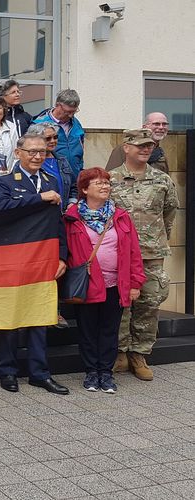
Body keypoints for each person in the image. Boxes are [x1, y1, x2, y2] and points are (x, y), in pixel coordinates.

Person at [0, 133, 69, 395]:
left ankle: (39, 373)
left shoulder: (51, 180)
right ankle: (8, 371)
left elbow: (58, 223)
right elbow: (0, 208)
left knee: (40, 316)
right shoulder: (3, 180)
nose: (37, 156)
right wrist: (39, 198)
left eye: (42, 152)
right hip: (13, 258)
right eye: (32, 151)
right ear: (18, 153)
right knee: (11, 317)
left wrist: (62, 256)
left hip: (43, 259)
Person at [64, 168, 145, 393]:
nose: (105, 186)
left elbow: (134, 253)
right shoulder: (71, 217)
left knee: (110, 330)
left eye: (107, 182)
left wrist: (136, 282)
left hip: (115, 284)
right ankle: (91, 372)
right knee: (88, 330)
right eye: (98, 183)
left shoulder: (120, 216)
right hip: (87, 284)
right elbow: (65, 252)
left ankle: (106, 373)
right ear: (84, 189)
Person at [109, 128, 179, 381]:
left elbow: (170, 212)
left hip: (151, 252)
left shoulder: (162, 180)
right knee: (122, 303)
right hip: (119, 254)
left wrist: (157, 239)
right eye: (140, 145)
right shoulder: (111, 179)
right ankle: (120, 352)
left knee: (149, 303)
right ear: (126, 148)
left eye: (149, 145)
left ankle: (139, 354)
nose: (146, 149)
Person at [33, 89, 84, 175]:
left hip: (75, 175)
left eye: (74, 111)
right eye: (67, 112)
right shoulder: (39, 124)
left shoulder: (76, 123)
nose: (71, 115)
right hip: (51, 175)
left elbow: (81, 146)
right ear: (58, 105)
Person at [28, 122, 78, 209]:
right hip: (41, 215)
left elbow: (73, 186)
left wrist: (72, 202)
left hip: (62, 214)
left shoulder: (62, 160)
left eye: (55, 137)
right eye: (48, 138)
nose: (53, 141)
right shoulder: (29, 162)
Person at [106, 112, 171, 173]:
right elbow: (110, 176)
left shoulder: (160, 154)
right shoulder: (126, 148)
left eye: (164, 124)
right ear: (144, 127)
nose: (161, 127)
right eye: (156, 124)